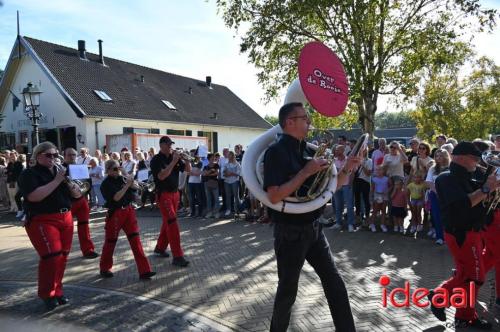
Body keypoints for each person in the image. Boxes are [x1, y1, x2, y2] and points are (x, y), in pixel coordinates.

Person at [263, 102, 360, 332]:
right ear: (289, 122)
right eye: (304, 119)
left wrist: (347, 168)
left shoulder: (309, 150)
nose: (310, 123)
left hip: (314, 227)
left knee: (335, 281)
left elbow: (330, 188)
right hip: (290, 231)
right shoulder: (275, 152)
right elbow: (274, 195)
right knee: (288, 291)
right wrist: (306, 172)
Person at [428, 141, 500, 329]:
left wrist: (490, 188)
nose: (478, 162)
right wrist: (486, 189)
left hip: (473, 231)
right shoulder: (445, 178)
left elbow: (483, 199)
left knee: (471, 274)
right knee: (474, 277)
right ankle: (454, 309)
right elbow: (463, 205)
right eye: (474, 159)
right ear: (460, 157)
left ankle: (451, 306)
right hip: (461, 234)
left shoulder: (471, 174)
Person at [18, 142, 78, 310]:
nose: (53, 158)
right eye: (49, 155)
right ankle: (47, 293)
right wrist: (58, 180)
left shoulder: (61, 172)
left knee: (63, 256)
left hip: (65, 216)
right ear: (38, 156)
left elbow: (76, 195)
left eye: (55, 155)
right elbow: (35, 196)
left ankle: (58, 290)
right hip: (43, 219)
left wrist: (73, 188)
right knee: (52, 256)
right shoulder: (29, 174)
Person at [99, 160, 156, 279]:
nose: (117, 171)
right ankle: (105, 268)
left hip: (129, 211)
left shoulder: (122, 178)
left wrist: (126, 174)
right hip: (115, 214)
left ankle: (145, 270)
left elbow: (136, 186)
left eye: (118, 168)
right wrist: (126, 185)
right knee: (110, 242)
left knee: (136, 241)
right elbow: (116, 197)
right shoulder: (105, 184)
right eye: (115, 169)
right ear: (108, 170)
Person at [150, 136, 191, 267]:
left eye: (171, 144)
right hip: (164, 195)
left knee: (168, 222)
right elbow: (161, 176)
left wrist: (187, 160)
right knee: (172, 223)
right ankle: (178, 256)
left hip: (175, 193)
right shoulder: (156, 160)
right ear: (161, 145)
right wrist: (173, 162)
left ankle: (160, 248)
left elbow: (188, 170)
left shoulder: (174, 157)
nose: (170, 147)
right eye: (168, 144)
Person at [63, 148, 99, 259]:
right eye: (69, 155)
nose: (72, 157)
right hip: (68, 201)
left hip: (82, 200)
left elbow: (88, 182)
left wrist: (83, 191)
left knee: (84, 226)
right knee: (66, 229)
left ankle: (88, 250)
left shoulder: (81, 167)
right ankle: (63, 252)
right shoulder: (60, 169)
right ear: (64, 156)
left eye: (74, 155)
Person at [425, 149, 450, 244]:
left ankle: (448, 236)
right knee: (437, 215)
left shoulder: (451, 167)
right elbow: (429, 182)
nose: (438, 158)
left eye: (441, 156)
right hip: (435, 195)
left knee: (448, 216)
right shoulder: (433, 168)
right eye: (437, 156)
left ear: (445, 156)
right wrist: (436, 192)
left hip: (448, 195)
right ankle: (440, 237)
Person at [370, 166, 390, 232]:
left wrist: (387, 190)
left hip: (384, 196)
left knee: (383, 211)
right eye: (377, 170)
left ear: (383, 171)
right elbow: (372, 189)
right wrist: (371, 198)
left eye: (380, 170)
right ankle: (372, 224)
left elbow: (391, 185)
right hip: (377, 195)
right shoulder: (374, 179)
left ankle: (382, 224)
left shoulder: (386, 179)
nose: (378, 171)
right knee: (375, 210)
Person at [223, 151, 242, 216]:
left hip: (235, 181)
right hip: (227, 182)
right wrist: (227, 174)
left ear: (233, 156)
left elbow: (239, 173)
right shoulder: (226, 164)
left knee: (236, 196)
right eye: (228, 155)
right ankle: (229, 209)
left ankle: (237, 210)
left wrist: (231, 173)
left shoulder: (237, 164)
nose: (228, 156)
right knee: (228, 196)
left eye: (230, 155)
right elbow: (223, 173)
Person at [203, 153, 220, 218]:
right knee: (208, 199)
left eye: (214, 157)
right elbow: (204, 174)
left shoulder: (216, 165)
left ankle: (216, 213)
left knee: (216, 199)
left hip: (214, 184)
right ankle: (209, 212)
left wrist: (208, 174)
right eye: (212, 157)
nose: (213, 158)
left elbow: (217, 173)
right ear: (209, 159)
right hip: (207, 184)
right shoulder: (205, 166)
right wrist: (211, 171)